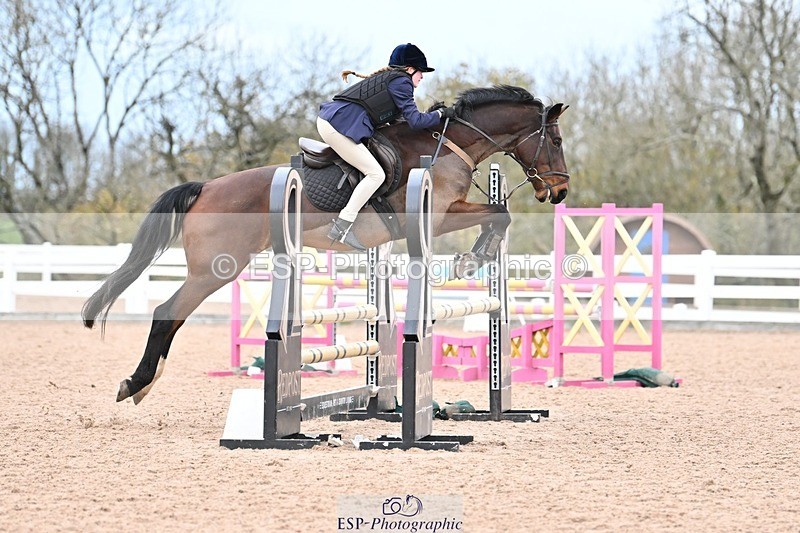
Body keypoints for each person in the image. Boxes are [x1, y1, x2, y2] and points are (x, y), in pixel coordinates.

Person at [317, 43, 457, 249]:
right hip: (337, 126)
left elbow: (402, 122)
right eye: (421, 72)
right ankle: (341, 227)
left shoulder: (393, 81)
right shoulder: (402, 82)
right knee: (376, 174)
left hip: (336, 122)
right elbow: (415, 121)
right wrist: (440, 114)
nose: (422, 77)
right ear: (410, 69)